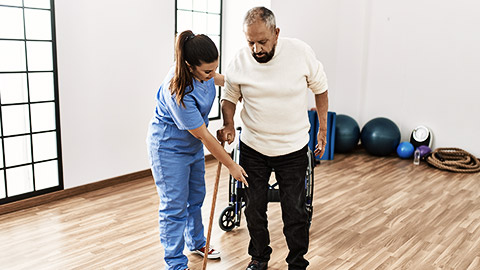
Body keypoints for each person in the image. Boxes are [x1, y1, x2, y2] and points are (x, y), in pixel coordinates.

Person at [217, 7, 329, 270]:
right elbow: (229, 96)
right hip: (254, 147)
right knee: (254, 209)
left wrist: (322, 130)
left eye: (262, 41)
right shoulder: (240, 60)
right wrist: (229, 123)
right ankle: (259, 257)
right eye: (250, 42)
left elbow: (321, 90)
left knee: (295, 212)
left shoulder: (300, 53)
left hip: (292, 148)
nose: (256, 49)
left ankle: (297, 262)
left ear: (276, 33)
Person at [146, 30, 248, 270]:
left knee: (196, 198)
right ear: (190, 67)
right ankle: (175, 262)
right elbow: (204, 136)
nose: (213, 74)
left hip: (191, 147)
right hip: (168, 148)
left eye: (215, 68)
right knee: (174, 206)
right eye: (208, 71)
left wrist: (245, 90)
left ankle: (196, 243)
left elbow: (221, 80)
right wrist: (231, 165)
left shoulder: (204, 75)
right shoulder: (178, 90)